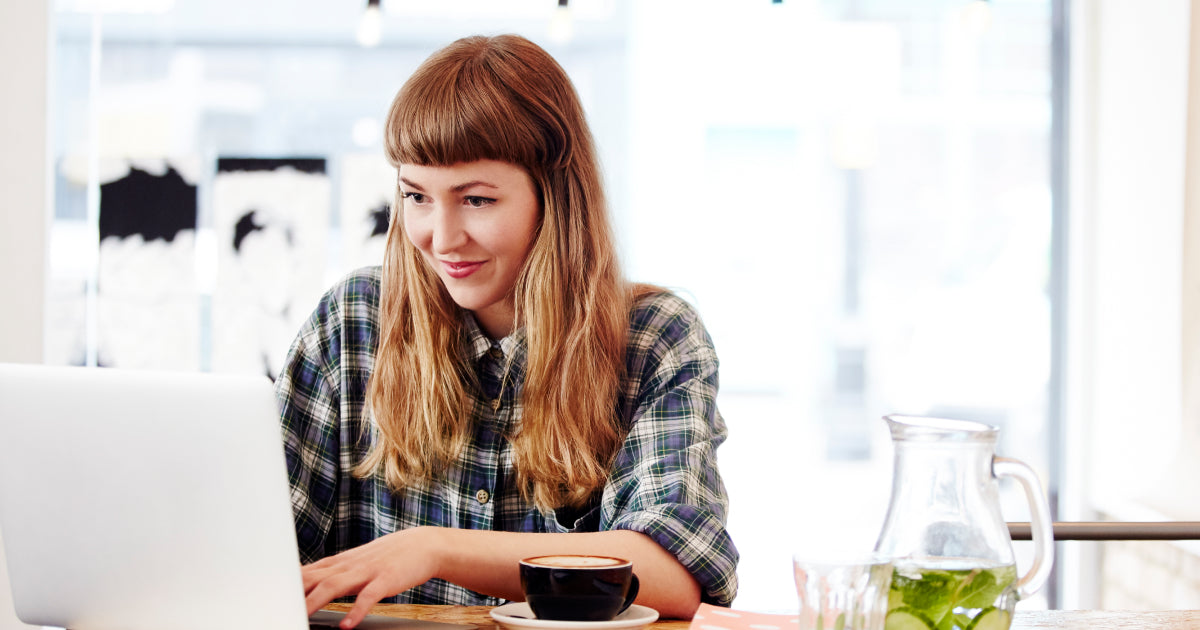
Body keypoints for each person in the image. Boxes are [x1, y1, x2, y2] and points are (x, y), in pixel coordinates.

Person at [274, 34, 738, 628]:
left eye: (477, 200)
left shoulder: (653, 338)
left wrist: (434, 549)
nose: (441, 239)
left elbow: (674, 573)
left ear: (555, 197)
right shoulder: (351, 322)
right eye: (416, 196)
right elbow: (259, 548)